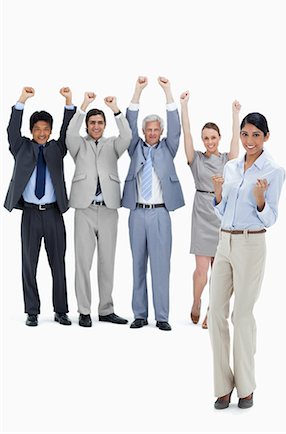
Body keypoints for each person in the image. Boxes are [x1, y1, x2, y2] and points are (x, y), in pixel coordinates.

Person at [208, 112, 285, 409]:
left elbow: (271, 217)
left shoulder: (274, 171)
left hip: (251, 243)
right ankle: (222, 385)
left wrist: (261, 198)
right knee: (216, 313)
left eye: (255, 134)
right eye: (245, 134)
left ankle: (246, 386)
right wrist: (217, 195)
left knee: (241, 316)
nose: (249, 140)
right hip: (224, 241)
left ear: (266, 136)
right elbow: (222, 210)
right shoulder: (230, 167)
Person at [4, 86, 76, 326]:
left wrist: (68, 102)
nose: (42, 133)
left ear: (51, 131)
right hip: (31, 215)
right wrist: (22, 100)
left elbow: (68, 131)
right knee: (29, 263)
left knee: (58, 263)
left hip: (54, 214)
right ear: (31, 131)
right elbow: (12, 129)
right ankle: (32, 311)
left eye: (46, 129)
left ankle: (61, 310)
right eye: (37, 129)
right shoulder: (21, 147)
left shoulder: (57, 148)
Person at [122, 76, 185, 331]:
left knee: (161, 267)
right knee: (137, 265)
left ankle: (161, 316)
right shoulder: (135, 147)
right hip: (137, 213)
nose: (151, 133)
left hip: (160, 215)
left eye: (155, 130)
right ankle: (139, 314)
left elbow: (176, 128)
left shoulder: (168, 148)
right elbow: (129, 123)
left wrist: (168, 92)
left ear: (160, 132)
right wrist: (137, 91)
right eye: (148, 129)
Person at [66, 92, 132, 327]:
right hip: (84, 209)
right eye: (92, 123)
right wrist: (83, 105)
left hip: (108, 209)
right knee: (82, 262)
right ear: (87, 125)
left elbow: (128, 135)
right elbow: (70, 133)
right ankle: (84, 310)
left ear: (104, 125)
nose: (96, 126)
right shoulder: (78, 145)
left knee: (108, 261)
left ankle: (106, 309)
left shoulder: (113, 144)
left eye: (100, 123)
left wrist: (115, 110)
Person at [180, 91, 241, 328]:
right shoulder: (196, 160)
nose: (209, 141)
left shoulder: (228, 159)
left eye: (213, 137)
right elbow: (187, 134)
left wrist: (235, 114)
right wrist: (184, 106)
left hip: (222, 213)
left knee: (220, 271)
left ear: (219, 137)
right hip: (201, 213)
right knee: (201, 270)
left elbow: (236, 139)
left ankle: (210, 311)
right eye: (206, 138)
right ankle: (196, 301)